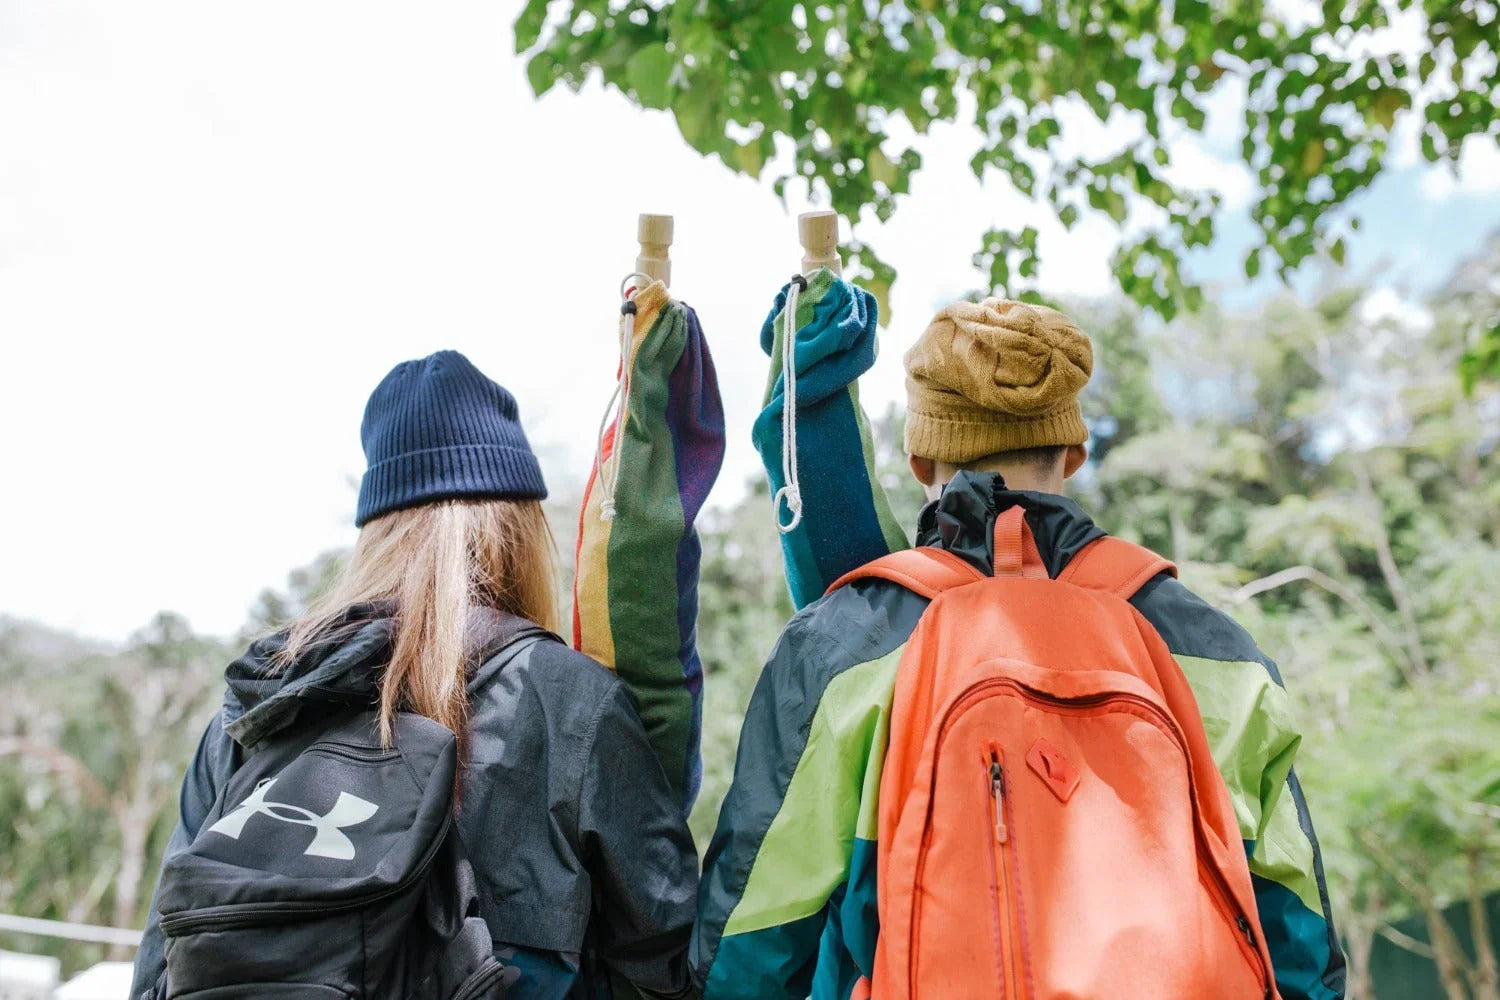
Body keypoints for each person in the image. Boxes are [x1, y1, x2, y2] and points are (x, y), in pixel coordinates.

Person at [695, 297, 1345, 999]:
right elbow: (1299, 938)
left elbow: (751, 944)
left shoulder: (842, 646)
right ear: (1074, 453)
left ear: (919, 459)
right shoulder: (1219, 653)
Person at [131, 351, 697, 1000]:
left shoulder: (258, 704)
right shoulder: (569, 701)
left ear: (374, 533)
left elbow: (158, 967)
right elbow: (661, 963)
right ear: (519, 531)